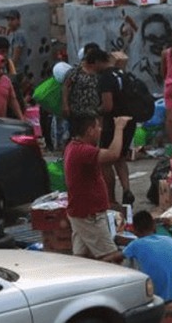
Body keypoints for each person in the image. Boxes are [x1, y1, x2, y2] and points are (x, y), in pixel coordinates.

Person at [65, 112, 130, 263]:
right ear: (89, 130)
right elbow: (114, 154)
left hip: (81, 213)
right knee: (112, 258)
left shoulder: (74, 147)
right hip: (89, 215)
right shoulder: (82, 151)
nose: (100, 130)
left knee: (81, 259)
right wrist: (119, 128)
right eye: (97, 126)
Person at [98, 52, 137, 205]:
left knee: (106, 161)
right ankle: (127, 190)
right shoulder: (123, 74)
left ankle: (111, 198)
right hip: (130, 120)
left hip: (113, 123)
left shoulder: (105, 78)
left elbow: (108, 106)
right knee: (120, 158)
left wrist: (96, 110)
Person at [123, 210, 172, 303]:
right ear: (153, 226)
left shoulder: (136, 244)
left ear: (135, 230)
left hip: (156, 299)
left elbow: (117, 257)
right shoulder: (168, 239)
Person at [62, 45, 104, 119]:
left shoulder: (100, 71)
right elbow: (66, 86)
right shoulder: (76, 71)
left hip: (94, 112)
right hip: (77, 111)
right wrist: (65, 105)